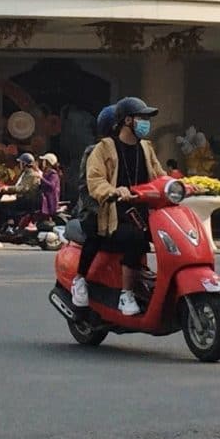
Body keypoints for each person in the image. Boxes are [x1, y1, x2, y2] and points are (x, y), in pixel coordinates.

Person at [79, 96, 164, 317]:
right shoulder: (103, 148)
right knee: (134, 237)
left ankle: (150, 284)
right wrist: (113, 191)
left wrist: (181, 185)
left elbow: (159, 175)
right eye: (142, 118)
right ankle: (126, 294)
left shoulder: (146, 148)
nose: (146, 122)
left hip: (143, 212)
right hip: (114, 213)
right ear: (127, 120)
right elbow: (95, 180)